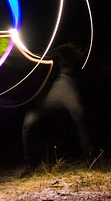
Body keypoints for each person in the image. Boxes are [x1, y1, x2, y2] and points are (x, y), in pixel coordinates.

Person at [20, 43, 94, 173]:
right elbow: (41, 57)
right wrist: (21, 50)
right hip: (61, 84)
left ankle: (92, 159)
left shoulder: (86, 51)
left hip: (69, 84)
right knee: (29, 122)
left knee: (80, 117)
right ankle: (30, 164)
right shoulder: (65, 49)